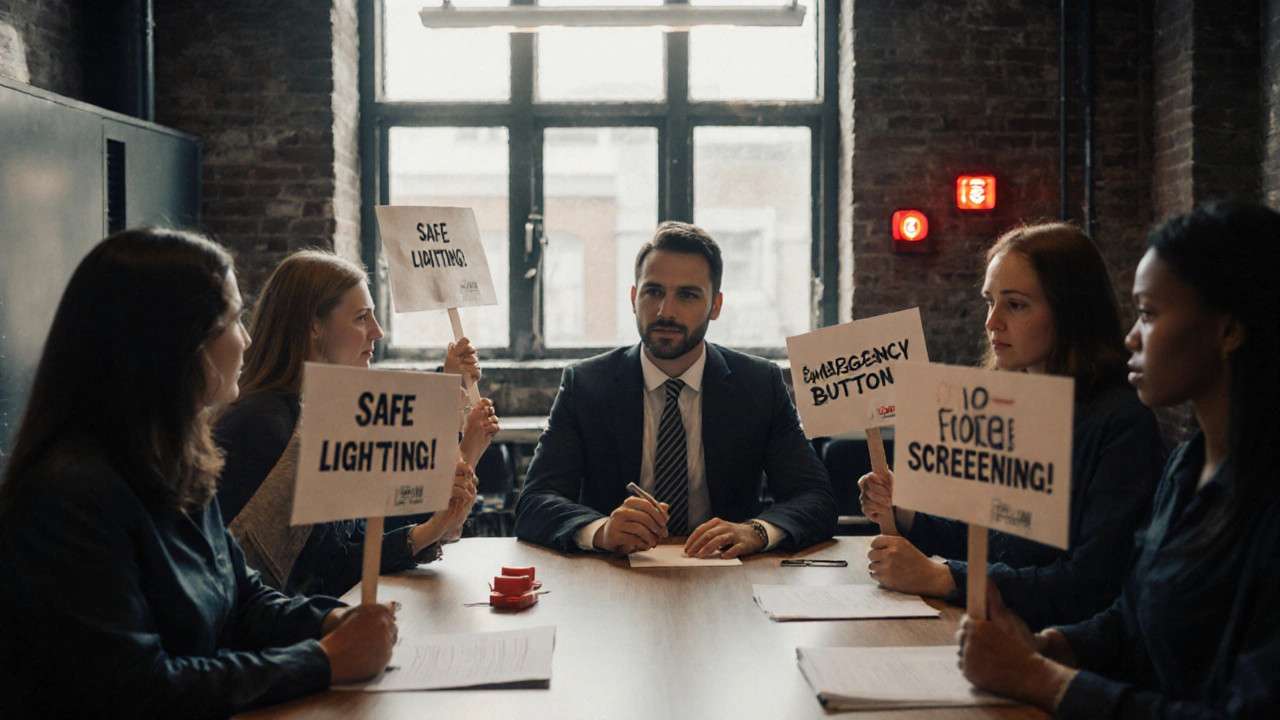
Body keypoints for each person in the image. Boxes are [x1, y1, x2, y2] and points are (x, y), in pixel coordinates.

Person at [0, 229, 396, 718]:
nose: (247, 337)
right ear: (175, 341)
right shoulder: (70, 495)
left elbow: (242, 599)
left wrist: (332, 620)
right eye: (231, 319)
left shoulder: (179, 460)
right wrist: (323, 660)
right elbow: (134, 689)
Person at [958, 202, 1280, 718]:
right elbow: (1134, 618)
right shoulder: (1186, 467)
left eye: (1149, 314)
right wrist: (1049, 647)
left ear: (1228, 329)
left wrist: (1041, 678)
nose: (1131, 336)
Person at [859, 223, 1165, 629]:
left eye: (1016, 305)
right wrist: (907, 513)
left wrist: (942, 576)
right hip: (993, 631)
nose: (991, 322)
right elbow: (994, 542)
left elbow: (1090, 583)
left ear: (1071, 312)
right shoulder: (1014, 402)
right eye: (990, 301)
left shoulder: (1123, 423)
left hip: (1056, 653)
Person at [515, 221, 837, 558]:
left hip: (727, 577)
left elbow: (816, 499)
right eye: (653, 291)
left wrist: (755, 531)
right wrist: (602, 531)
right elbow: (535, 503)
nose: (665, 311)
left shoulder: (759, 385)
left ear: (716, 306)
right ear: (633, 297)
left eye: (687, 295)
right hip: (614, 577)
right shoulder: (586, 385)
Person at [215, 250, 499, 596]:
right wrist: (428, 530)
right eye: (361, 318)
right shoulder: (265, 425)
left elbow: (361, 526)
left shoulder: (309, 410)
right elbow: (323, 572)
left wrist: (452, 405)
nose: (377, 332)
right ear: (314, 325)